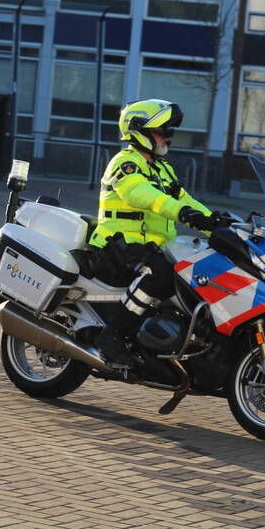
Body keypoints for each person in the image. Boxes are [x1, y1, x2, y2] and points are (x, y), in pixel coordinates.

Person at [89, 98, 223, 367]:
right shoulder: (125, 163)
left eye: (170, 132)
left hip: (152, 248)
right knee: (160, 273)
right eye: (162, 131)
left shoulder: (164, 170)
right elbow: (142, 195)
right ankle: (112, 337)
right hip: (118, 246)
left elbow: (186, 201)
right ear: (139, 131)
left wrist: (216, 221)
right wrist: (182, 213)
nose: (168, 138)